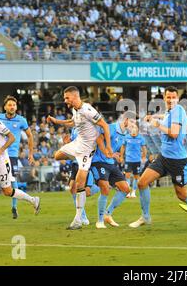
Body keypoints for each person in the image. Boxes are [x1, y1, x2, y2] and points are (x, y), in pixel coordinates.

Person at [129, 86, 187, 229]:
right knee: (142, 183)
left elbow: (174, 133)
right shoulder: (170, 111)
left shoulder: (178, 110)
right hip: (164, 157)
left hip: (177, 160)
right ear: (164, 98)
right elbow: (166, 117)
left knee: (181, 194)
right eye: (168, 97)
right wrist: (154, 117)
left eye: (173, 97)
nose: (171, 100)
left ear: (177, 99)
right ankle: (145, 217)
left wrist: (156, 124)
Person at [47, 86, 112, 230]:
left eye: (67, 98)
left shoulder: (88, 110)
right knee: (57, 155)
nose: (65, 101)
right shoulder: (75, 110)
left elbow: (104, 125)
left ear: (75, 97)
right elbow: (73, 122)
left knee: (78, 183)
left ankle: (78, 219)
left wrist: (108, 147)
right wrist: (57, 122)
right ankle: (87, 180)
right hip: (76, 144)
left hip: (87, 150)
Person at [0, 96, 35, 219]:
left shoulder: (21, 120)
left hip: (11, 155)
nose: (12, 107)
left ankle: (14, 207)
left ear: (16, 107)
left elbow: (30, 136)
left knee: (12, 180)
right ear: (5, 107)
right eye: (9, 105)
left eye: (14, 105)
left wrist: (30, 153)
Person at [90, 111, 135, 228]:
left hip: (110, 163)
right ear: (125, 120)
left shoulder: (124, 135)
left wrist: (116, 155)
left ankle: (107, 214)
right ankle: (99, 221)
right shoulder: (111, 127)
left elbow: (113, 148)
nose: (133, 125)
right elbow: (99, 139)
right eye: (132, 122)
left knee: (125, 189)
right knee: (105, 188)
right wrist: (105, 152)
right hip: (98, 162)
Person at [65, 128, 100, 226]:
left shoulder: (90, 128)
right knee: (72, 189)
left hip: (84, 162)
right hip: (75, 163)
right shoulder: (74, 129)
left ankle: (100, 186)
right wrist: (68, 143)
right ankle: (82, 217)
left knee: (87, 191)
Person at [120, 124, 147, 198]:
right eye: (132, 134)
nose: (134, 135)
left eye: (135, 134)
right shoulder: (126, 137)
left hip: (137, 160)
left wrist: (144, 156)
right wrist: (121, 156)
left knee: (136, 177)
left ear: (137, 131)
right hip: (128, 160)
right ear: (130, 132)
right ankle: (127, 192)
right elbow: (123, 147)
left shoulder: (141, 138)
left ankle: (133, 192)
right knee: (127, 175)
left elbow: (144, 148)